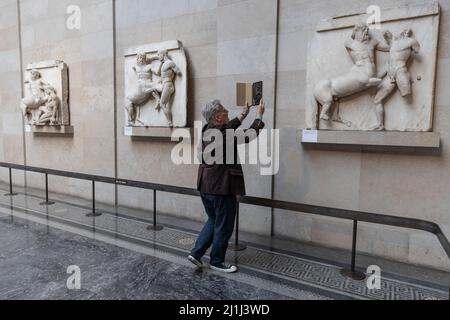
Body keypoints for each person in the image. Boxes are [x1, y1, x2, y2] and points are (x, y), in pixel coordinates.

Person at [188, 98, 265, 273]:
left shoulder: (208, 128)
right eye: (224, 111)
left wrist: (243, 114)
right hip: (221, 188)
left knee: (213, 220)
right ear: (217, 117)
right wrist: (259, 115)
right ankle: (217, 261)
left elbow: (227, 128)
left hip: (205, 186)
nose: (227, 111)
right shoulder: (222, 133)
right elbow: (250, 135)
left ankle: (196, 253)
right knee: (224, 225)